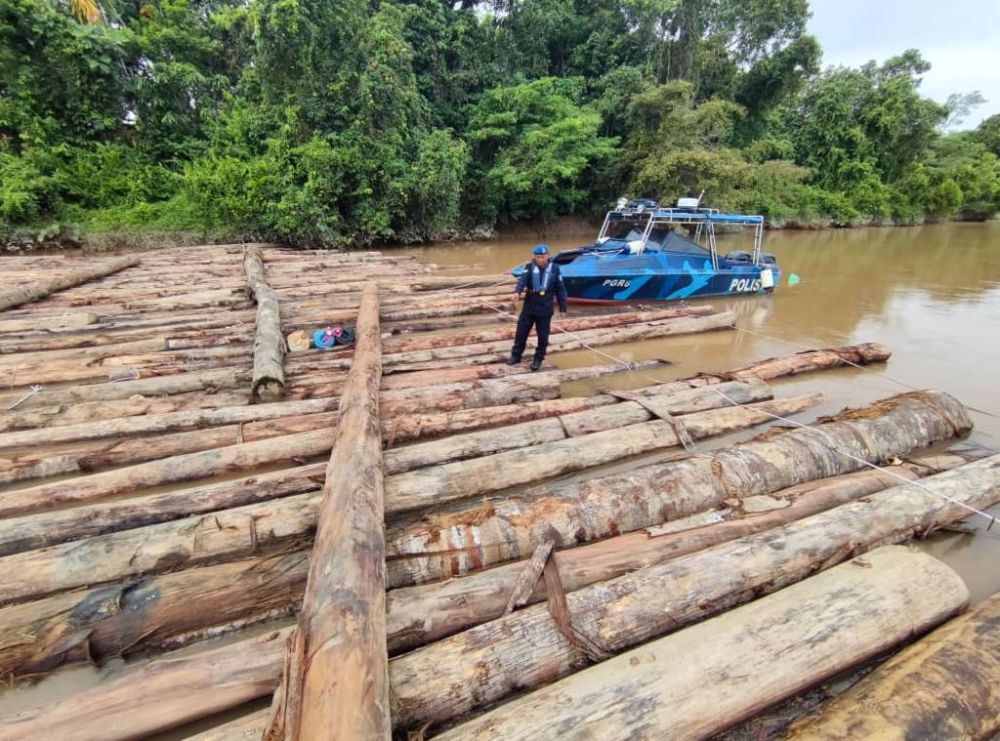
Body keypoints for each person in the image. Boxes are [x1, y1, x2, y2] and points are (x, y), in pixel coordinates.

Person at [509, 244, 568, 371]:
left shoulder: (555, 269)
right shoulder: (529, 267)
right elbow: (522, 281)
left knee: (543, 336)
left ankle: (538, 359)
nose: (540, 259)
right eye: (538, 257)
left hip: (545, 308)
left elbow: (561, 289)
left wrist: (563, 308)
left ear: (547, 256)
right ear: (534, 257)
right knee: (521, 332)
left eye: (542, 257)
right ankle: (516, 356)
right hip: (529, 306)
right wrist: (517, 292)